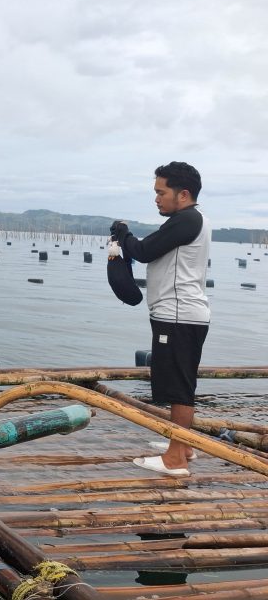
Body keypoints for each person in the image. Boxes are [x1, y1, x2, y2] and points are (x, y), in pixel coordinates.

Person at [111, 161, 210, 478]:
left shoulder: (187, 220)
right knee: (181, 383)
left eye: (160, 192)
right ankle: (183, 446)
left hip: (179, 316)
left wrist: (123, 235)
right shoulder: (188, 220)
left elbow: (143, 251)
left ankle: (175, 459)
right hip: (180, 315)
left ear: (183, 194)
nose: (156, 198)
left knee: (178, 387)